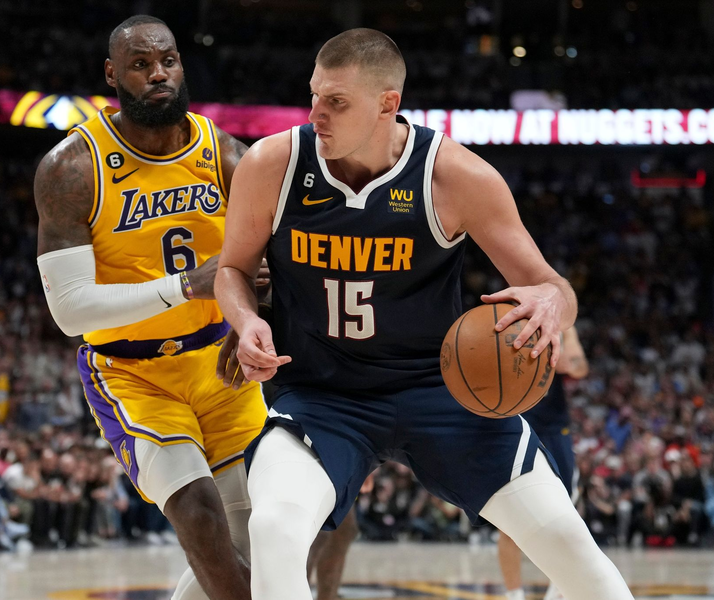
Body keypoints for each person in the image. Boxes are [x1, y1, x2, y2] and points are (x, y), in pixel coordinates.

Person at [215, 28, 635, 600]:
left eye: (336, 102)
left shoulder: (456, 176)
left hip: (442, 391)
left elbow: (553, 286)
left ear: (388, 103)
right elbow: (231, 270)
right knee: (272, 529)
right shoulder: (272, 164)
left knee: (573, 547)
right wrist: (245, 322)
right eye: (314, 96)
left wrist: (552, 303)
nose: (317, 113)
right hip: (322, 395)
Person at [34, 15, 266, 600]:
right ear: (113, 74)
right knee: (198, 515)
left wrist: (251, 315)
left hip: (222, 366)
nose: (158, 74)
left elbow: (274, 261)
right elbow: (69, 311)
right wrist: (187, 286)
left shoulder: (227, 155)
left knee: (263, 539)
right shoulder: (72, 168)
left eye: (168, 61)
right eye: (140, 65)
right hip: (133, 374)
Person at [498, 326, 589, 600]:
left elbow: (579, 368)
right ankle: (513, 595)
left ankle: (558, 589)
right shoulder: (505, 323)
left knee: (567, 514)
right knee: (509, 519)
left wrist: (568, 344)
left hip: (554, 426)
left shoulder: (560, 326)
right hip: (516, 421)